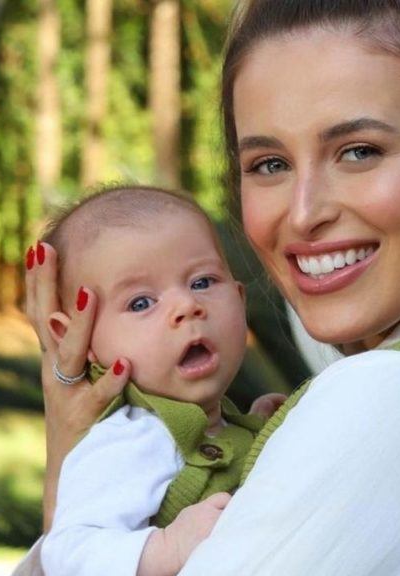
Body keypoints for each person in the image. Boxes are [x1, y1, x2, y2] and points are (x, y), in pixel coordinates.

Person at [16, 0, 400, 574]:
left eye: (359, 151)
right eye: (270, 164)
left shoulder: (395, 395)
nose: (303, 213)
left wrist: (68, 489)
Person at [29, 185, 286, 576]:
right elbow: (68, 550)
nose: (187, 306)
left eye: (202, 282)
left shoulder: (200, 426)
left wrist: (251, 431)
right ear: (79, 338)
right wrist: (167, 545)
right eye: (141, 303)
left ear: (239, 297)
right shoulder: (133, 440)